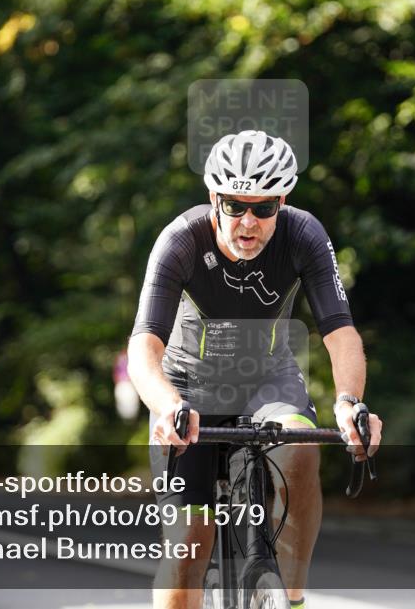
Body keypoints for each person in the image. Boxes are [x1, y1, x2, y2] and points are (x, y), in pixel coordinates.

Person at [127, 130, 382, 609]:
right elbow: (144, 344)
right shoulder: (181, 240)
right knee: (188, 544)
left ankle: (293, 597)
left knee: (301, 449)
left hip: (269, 380)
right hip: (186, 389)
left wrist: (349, 403)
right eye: (234, 206)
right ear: (213, 198)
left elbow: (339, 330)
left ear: (281, 202)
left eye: (263, 208)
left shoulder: (303, 234)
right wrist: (167, 405)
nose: (248, 222)